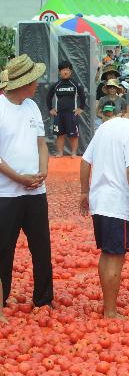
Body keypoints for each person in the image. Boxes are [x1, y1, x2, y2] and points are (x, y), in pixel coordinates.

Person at [80, 95, 129, 318]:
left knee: (107, 254)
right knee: (115, 257)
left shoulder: (106, 126)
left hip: (99, 201)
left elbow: (85, 161)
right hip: (116, 202)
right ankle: (111, 311)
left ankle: (108, 307)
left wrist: (85, 192)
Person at [0, 54, 53, 315]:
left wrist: (43, 169)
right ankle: (3, 297)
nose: (38, 84)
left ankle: (43, 298)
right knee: (3, 248)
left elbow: (41, 144)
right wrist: (18, 178)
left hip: (35, 191)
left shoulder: (32, 106)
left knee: (41, 246)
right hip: (6, 192)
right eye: (34, 80)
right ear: (23, 83)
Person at [47, 60, 87, 157]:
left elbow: (83, 96)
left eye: (67, 70)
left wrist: (81, 108)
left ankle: (73, 153)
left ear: (71, 72)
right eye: (63, 70)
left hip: (71, 114)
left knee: (74, 135)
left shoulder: (75, 85)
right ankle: (60, 153)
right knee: (60, 135)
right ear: (59, 71)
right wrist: (50, 109)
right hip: (59, 114)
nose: (65, 72)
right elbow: (48, 97)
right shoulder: (56, 85)